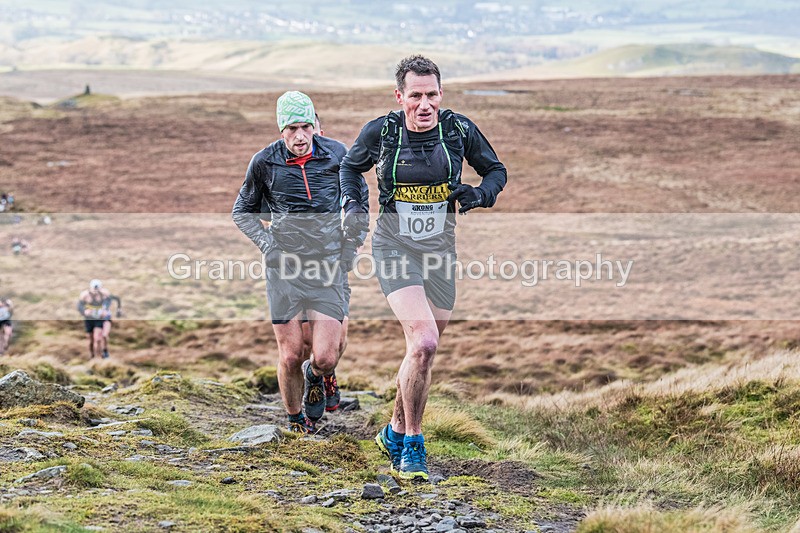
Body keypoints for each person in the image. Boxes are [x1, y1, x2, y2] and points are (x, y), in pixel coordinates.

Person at [340, 55, 507, 480]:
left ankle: (394, 430)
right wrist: (354, 205)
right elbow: (350, 167)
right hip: (394, 247)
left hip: (440, 254)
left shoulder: (458, 130)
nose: (425, 104)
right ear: (400, 97)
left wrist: (480, 194)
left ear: (441, 94)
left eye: (432, 94)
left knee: (422, 352)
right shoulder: (381, 132)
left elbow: (495, 171)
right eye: (415, 95)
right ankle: (413, 445)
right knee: (425, 342)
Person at [232, 91, 366, 433]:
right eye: (292, 129)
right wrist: (268, 245)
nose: (301, 136)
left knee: (325, 356)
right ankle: (295, 420)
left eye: (306, 127)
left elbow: (359, 201)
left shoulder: (337, 155)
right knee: (291, 354)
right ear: (282, 130)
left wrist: (350, 246)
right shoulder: (264, 162)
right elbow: (242, 211)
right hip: (284, 271)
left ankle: (318, 375)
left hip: (327, 267)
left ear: (315, 126)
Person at [77, 279, 122, 359]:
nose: (96, 291)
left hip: (100, 319)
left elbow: (115, 299)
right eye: (94, 289)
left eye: (98, 289)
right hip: (89, 319)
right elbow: (79, 305)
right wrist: (84, 311)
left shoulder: (104, 293)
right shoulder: (85, 295)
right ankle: (92, 356)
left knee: (98, 338)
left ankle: (102, 354)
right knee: (90, 340)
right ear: (90, 288)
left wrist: (108, 309)